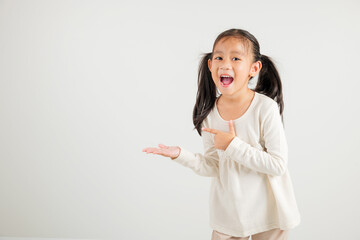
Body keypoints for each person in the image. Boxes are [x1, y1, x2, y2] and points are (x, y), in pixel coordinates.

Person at [142, 28, 301, 240]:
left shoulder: (265, 108)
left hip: (270, 212)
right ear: (210, 65)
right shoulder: (209, 114)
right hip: (231, 214)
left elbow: (278, 165)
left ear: (254, 68)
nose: (225, 64)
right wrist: (180, 154)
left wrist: (233, 145)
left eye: (236, 58)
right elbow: (213, 166)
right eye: (219, 57)